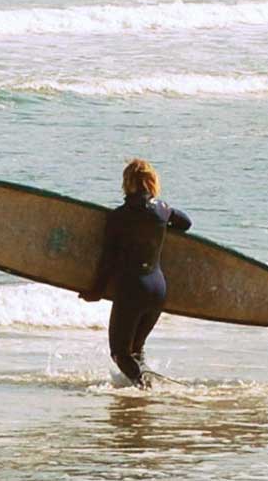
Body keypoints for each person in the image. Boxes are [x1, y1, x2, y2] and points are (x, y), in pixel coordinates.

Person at [81, 158, 190, 387]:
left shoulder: (118, 217)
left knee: (120, 353)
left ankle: (145, 390)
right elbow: (186, 223)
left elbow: (108, 260)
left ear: (126, 183)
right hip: (158, 289)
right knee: (136, 351)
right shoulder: (163, 210)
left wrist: (96, 291)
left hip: (132, 290)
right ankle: (143, 397)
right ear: (151, 182)